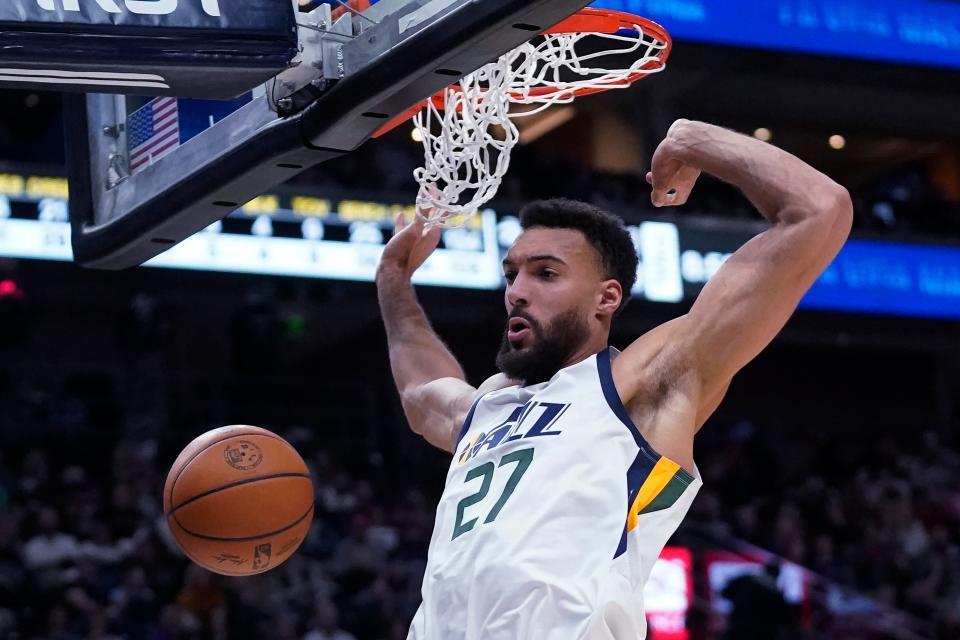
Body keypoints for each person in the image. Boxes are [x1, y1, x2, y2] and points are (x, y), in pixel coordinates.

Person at [375, 119, 853, 639]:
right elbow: (421, 395)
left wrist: (693, 143)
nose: (516, 291)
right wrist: (394, 281)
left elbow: (820, 211)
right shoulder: (489, 405)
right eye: (512, 273)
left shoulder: (642, 383)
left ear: (606, 298)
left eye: (546, 273)